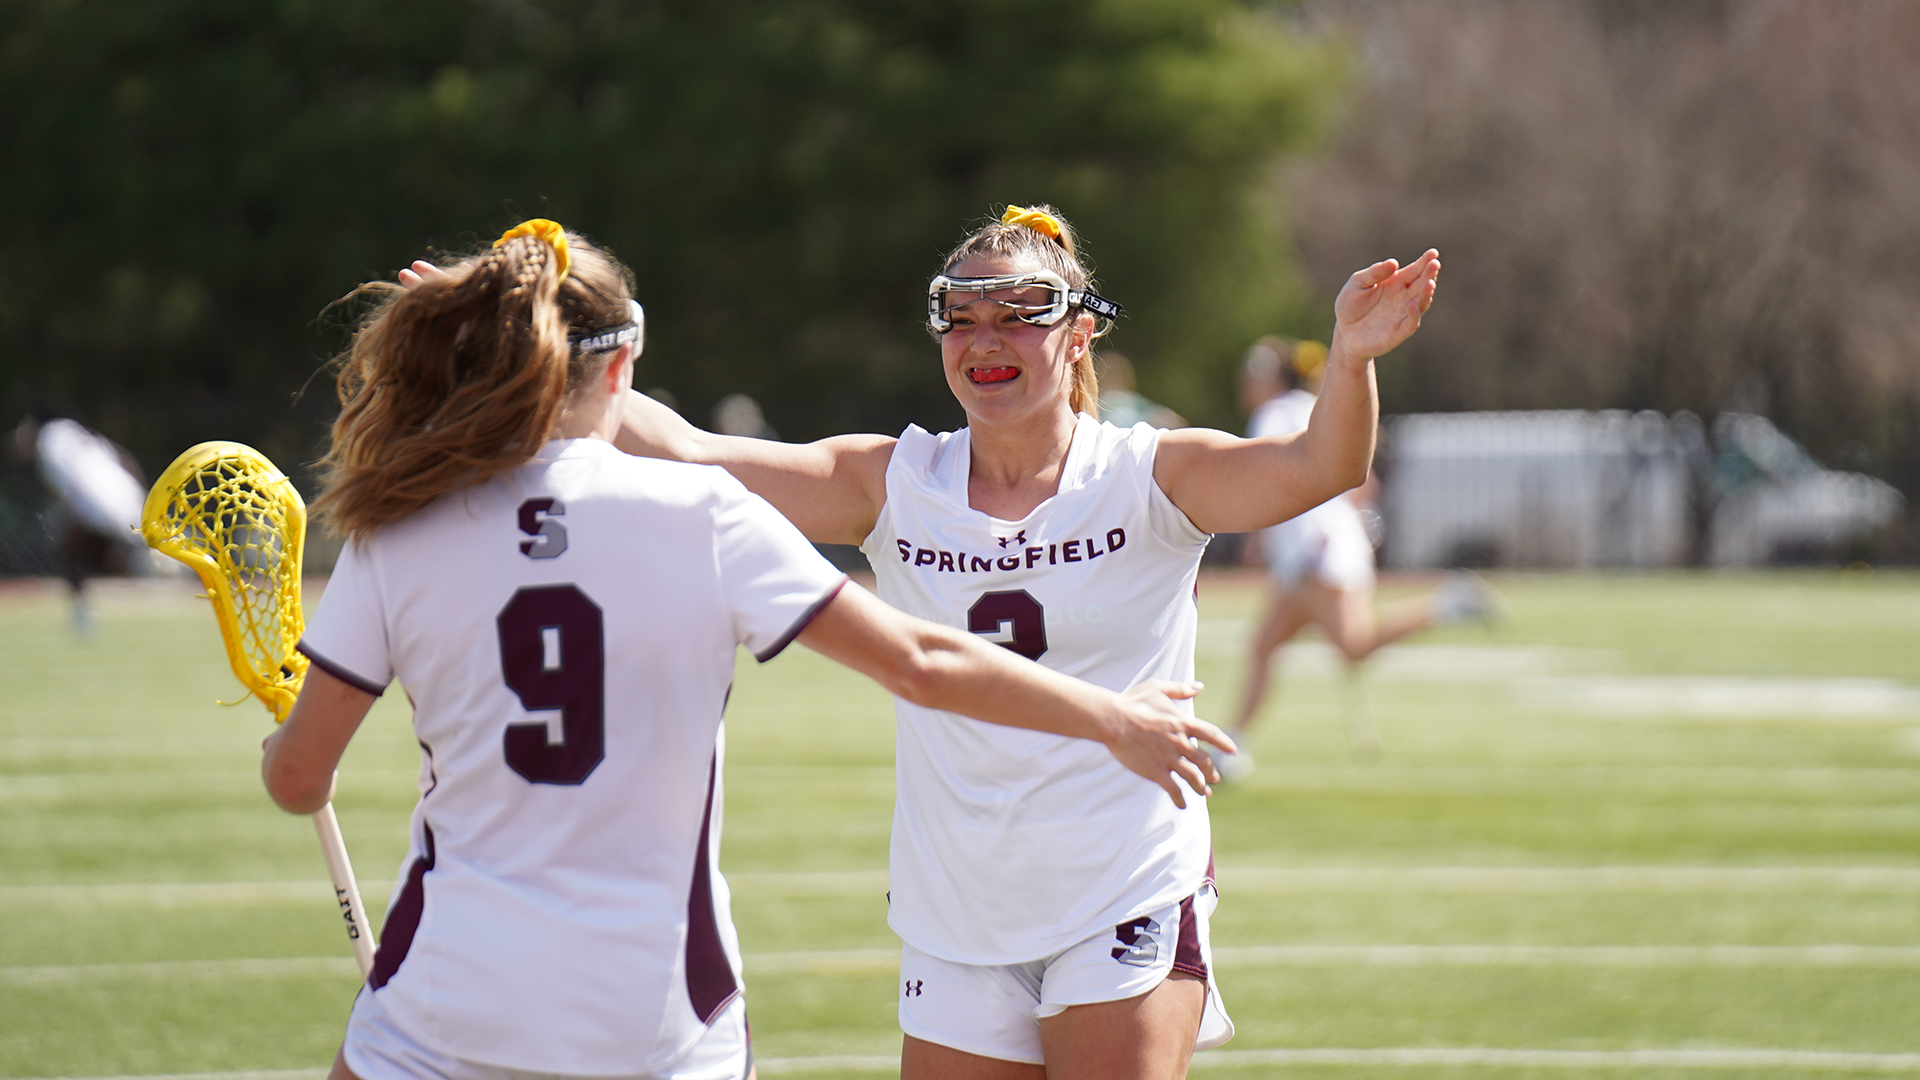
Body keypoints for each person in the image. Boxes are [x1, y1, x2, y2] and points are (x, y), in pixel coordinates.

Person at [267, 220, 1231, 1080]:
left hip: (445, 986)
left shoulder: (396, 529)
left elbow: (298, 777)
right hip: (659, 1008)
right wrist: (1112, 716)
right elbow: (921, 663)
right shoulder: (702, 513)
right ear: (623, 363)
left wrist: (286, 759)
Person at [608, 205, 1441, 1079]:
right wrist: (532, 344)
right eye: (961, 320)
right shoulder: (895, 482)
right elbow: (690, 456)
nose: (985, 341)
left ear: (1080, 334)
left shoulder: (1145, 474)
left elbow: (1321, 467)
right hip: (957, 912)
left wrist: (1350, 359)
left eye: (1015, 316)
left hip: (1124, 889)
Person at [1228, 337, 1500, 767]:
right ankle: (1232, 745)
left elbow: (1266, 480)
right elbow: (1361, 482)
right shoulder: (1311, 407)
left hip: (1318, 555)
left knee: (1352, 646)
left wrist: (1269, 534)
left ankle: (1449, 604)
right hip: (1315, 554)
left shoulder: (1275, 414)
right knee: (1264, 646)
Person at [9, 414, 151, 633]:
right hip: (125, 491)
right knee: (113, 550)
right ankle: (144, 560)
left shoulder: (48, 446)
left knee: (69, 555)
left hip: (93, 502)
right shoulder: (75, 433)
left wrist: (71, 517)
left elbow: (72, 485)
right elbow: (123, 458)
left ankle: (82, 613)